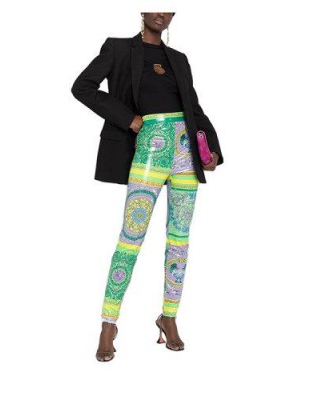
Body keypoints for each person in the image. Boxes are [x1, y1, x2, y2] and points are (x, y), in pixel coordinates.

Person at [71, 11, 224, 362]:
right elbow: (82, 87)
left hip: (186, 151)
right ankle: (108, 324)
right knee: (131, 236)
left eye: (168, 8)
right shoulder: (118, 49)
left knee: (179, 239)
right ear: (142, 11)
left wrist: (212, 150)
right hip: (150, 146)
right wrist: (129, 119)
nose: (161, 12)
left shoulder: (179, 59)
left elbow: (194, 108)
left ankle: (168, 317)